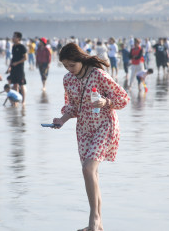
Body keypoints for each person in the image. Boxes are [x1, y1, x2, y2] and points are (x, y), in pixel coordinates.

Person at [51, 43, 129, 231]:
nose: (69, 70)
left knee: (88, 169)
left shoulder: (98, 75)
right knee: (90, 173)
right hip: (84, 129)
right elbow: (72, 107)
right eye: (65, 66)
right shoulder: (68, 80)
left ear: (81, 60)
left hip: (105, 125)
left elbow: (124, 98)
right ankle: (97, 223)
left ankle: (94, 219)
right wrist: (61, 120)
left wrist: (106, 101)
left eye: (72, 65)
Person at [7, 32, 27, 106]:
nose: (13, 38)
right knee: (15, 85)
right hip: (13, 69)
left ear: (18, 38)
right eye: (13, 36)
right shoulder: (13, 47)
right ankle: (16, 100)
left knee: (21, 85)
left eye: (14, 36)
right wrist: (9, 67)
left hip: (20, 69)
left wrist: (17, 63)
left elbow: (25, 58)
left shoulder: (22, 47)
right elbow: (12, 58)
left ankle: (23, 101)